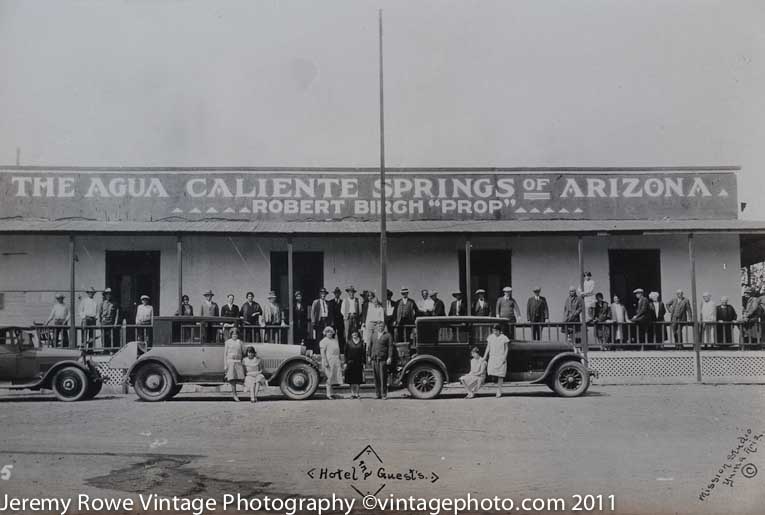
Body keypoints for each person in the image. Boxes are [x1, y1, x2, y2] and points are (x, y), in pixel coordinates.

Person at [483, 323, 509, 398]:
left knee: (500, 375)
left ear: (499, 331)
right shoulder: (490, 337)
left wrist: (504, 357)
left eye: (496, 331)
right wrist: (485, 356)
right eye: (494, 331)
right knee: (491, 372)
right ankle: (495, 389)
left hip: (501, 357)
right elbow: (488, 347)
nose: (495, 332)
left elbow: (506, 348)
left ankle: (499, 390)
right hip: (493, 357)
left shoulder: (504, 337)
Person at [369, 321, 393, 399]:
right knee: (376, 377)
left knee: (383, 377)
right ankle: (377, 394)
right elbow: (370, 346)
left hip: (383, 359)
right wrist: (369, 356)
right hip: (374, 359)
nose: (380, 327)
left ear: (384, 327)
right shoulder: (373, 335)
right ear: (376, 327)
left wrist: (389, 357)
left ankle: (383, 394)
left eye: (382, 326)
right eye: (379, 326)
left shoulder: (388, 335)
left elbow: (390, 347)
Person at [319, 326, 343, 400]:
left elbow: (338, 351)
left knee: (334, 377)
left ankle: (332, 393)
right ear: (325, 333)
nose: (329, 333)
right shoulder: (324, 341)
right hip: (328, 360)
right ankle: (328, 394)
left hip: (335, 360)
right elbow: (322, 352)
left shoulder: (334, 340)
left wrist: (340, 359)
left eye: (330, 332)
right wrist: (325, 361)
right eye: (327, 332)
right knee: (329, 377)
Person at [223, 327, 245, 401]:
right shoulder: (228, 342)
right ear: (231, 335)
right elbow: (225, 354)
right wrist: (225, 365)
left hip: (238, 361)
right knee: (232, 379)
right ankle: (234, 394)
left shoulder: (240, 342)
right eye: (233, 334)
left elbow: (243, 352)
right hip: (231, 362)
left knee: (240, 378)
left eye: (236, 334)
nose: (234, 335)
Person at [344, 329, 366, 398]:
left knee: (358, 379)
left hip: (359, 363)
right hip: (350, 362)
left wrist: (364, 362)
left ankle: (357, 393)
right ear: (351, 335)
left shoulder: (362, 342)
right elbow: (345, 353)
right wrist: (345, 362)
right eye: (353, 334)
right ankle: (352, 393)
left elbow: (364, 353)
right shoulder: (348, 342)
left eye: (356, 334)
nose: (354, 335)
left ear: (358, 334)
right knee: (351, 379)